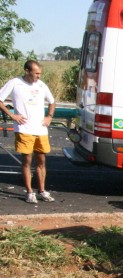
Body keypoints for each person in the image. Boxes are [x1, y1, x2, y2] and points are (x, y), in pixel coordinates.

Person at [0, 60, 56, 204]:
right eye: (36, 73)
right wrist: (12, 115)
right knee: (27, 160)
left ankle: (42, 190)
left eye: (40, 74)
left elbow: (52, 101)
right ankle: (29, 192)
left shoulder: (41, 85)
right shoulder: (15, 83)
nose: (38, 76)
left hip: (41, 129)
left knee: (42, 160)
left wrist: (49, 117)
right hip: (24, 129)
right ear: (27, 71)